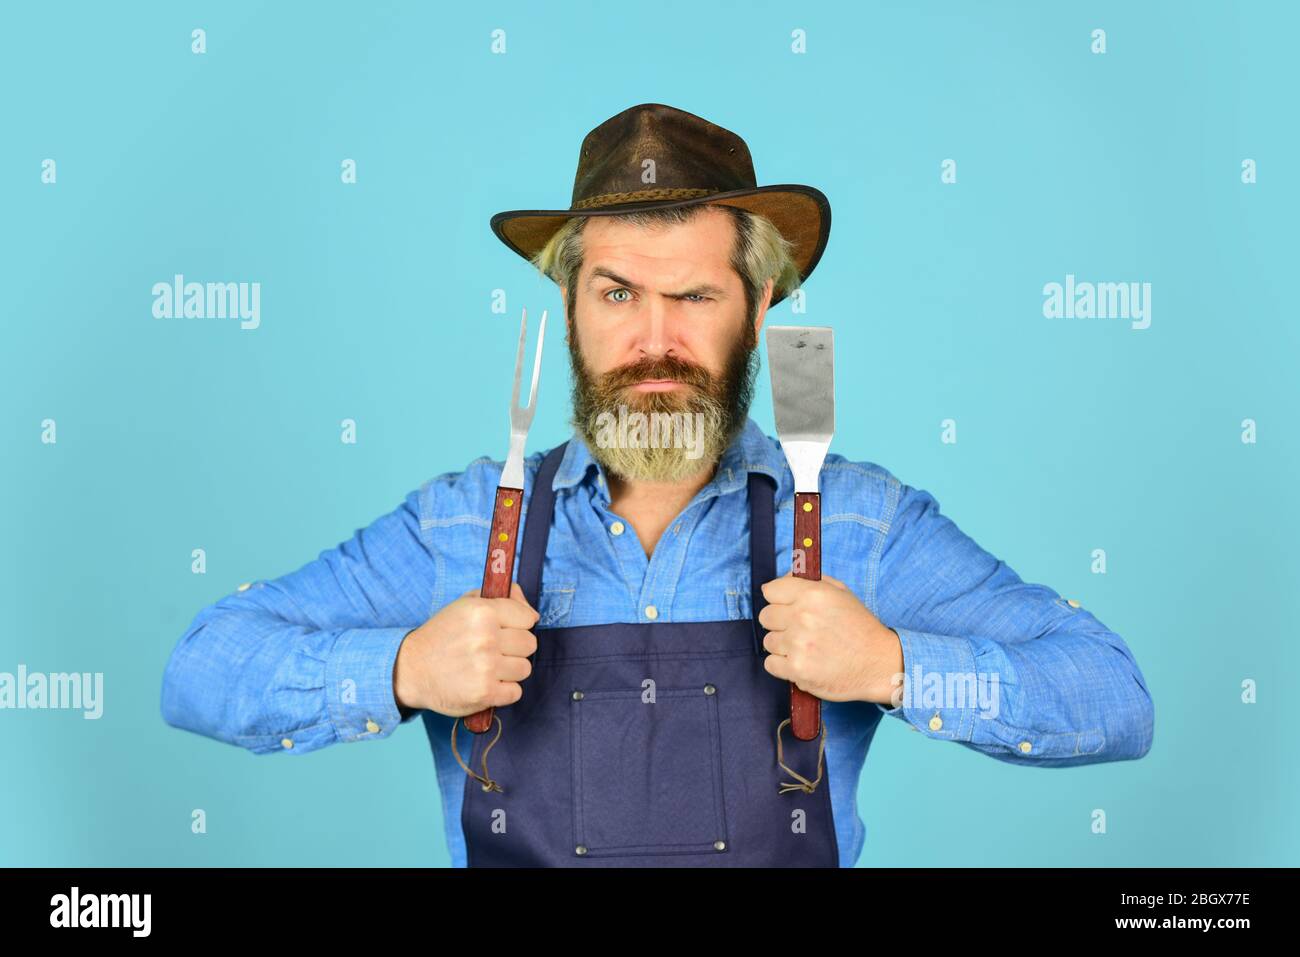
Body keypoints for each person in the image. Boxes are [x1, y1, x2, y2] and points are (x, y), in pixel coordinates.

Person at [161, 103, 1154, 867]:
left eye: (694, 297)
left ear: (761, 310)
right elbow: (201, 667)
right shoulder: (463, 525)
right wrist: (399, 673)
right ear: (567, 302)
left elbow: (1113, 697)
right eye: (617, 294)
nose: (652, 343)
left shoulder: (854, 523)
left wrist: (895, 665)